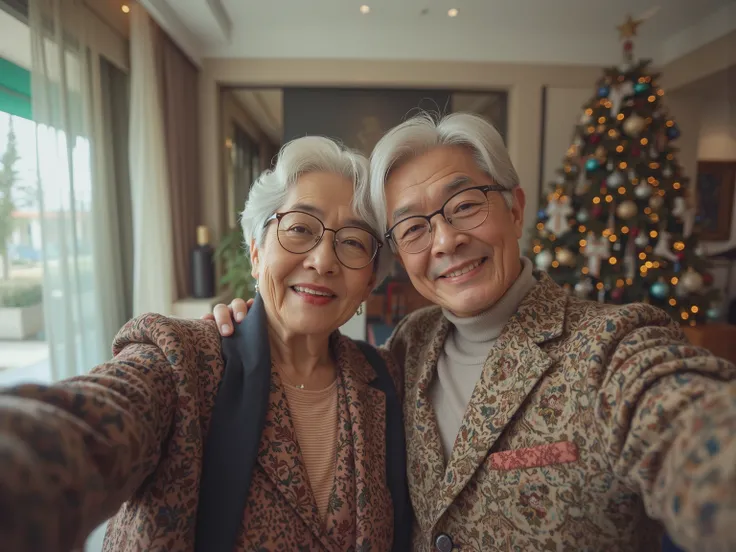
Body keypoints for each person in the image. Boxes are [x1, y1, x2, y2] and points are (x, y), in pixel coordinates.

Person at [211, 112, 736, 552]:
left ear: (515, 207)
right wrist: (255, 322)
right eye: (413, 227)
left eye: (464, 206)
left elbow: (687, 424)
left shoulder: (611, 346)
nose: (444, 241)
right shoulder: (405, 350)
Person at [0, 136, 411, 552]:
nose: (323, 261)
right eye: (300, 229)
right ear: (255, 252)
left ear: (370, 281)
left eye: (354, 242)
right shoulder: (183, 359)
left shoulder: (383, 377)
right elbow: (87, 427)